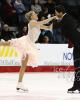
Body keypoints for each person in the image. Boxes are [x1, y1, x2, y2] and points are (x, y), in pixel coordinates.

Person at [0, 11, 55, 91]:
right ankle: (20, 83)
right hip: (26, 43)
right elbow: (44, 22)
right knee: (12, 45)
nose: (36, 14)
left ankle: (19, 83)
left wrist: (54, 21)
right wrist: (52, 18)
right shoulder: (32, 22)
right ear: (31, 17)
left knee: (22, 64)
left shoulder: (37, 24)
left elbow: (48, 27)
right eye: (34, 14)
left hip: (30, 44)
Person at [49, 5, 80, 93]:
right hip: (77, 45)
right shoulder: (67, 18)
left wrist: (42, 23)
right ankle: (77, 86)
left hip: (78, 45)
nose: (55, 14)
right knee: (78, 67)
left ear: (60, 13)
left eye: (56, 13)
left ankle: (76, 86)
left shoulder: (66, 19)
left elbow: (54, 26)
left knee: (78, 67)